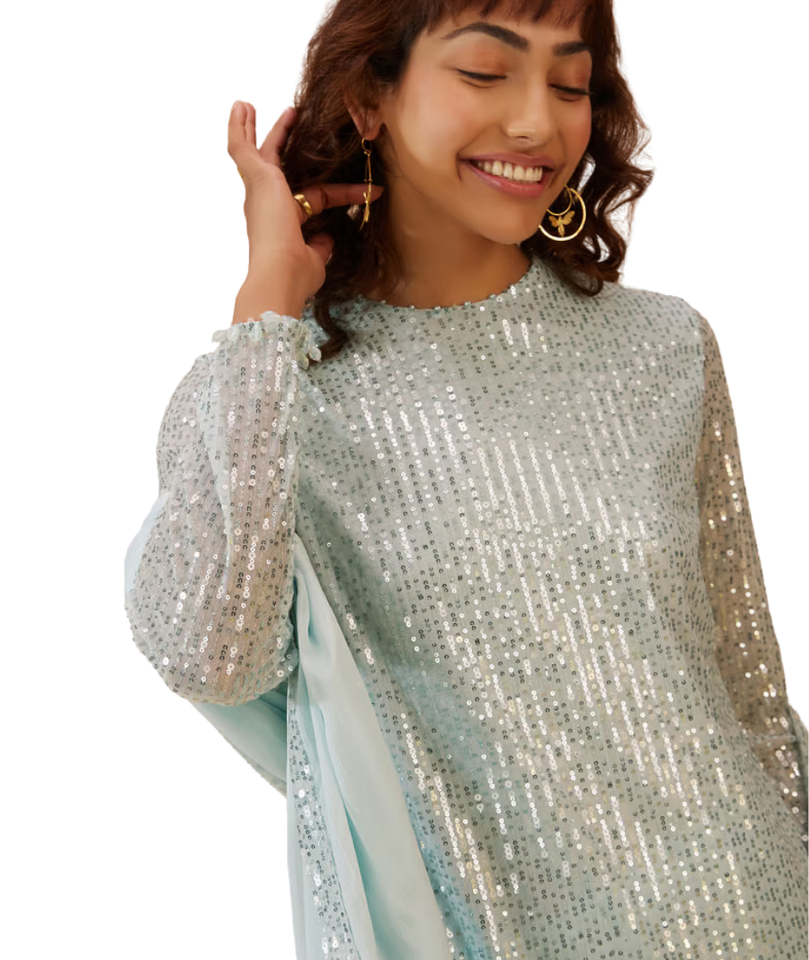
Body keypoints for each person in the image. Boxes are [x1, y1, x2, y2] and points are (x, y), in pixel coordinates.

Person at [123, 0, 809, 956]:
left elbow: (750, 694)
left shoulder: (664, 346)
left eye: (569, 83)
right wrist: (265, 311)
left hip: (765, 915)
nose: (536, 123)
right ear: (368, 99)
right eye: (486, 73)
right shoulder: (269, 390)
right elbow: (212, 657)